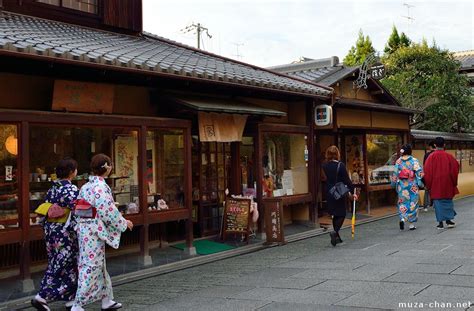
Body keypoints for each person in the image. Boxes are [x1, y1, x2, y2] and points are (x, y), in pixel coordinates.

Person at [71, 154, 133, 311]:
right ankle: (77, 305)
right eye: (110, 165)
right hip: (93, 232)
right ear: (107, 167)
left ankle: (107, 300)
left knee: (98, 265)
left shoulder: (86, 186)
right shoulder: (100, 187)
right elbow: (107, 211)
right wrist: (123, 223)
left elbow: (79, 209)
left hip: (85, 230)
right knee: (91, 266)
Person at [31, 158, 79, 311]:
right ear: (72, 172)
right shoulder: (70, 189)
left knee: (63, 262)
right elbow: (78, 210)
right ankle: (42, 296)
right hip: (65, 232)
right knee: (62, 263)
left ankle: (72, 299)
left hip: (52, 230)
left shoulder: (53, 188)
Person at [322, 145, 358, 246]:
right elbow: (347, 180)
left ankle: (337, 237)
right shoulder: (340, 165)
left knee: (335, 213)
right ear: (337, 154)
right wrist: (353, 192)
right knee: (341, 213)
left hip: (329, 191)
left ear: (328, 154)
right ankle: (335, 232)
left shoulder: (324, 165)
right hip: (339, 191)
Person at [424, 137, 459, 229]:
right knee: (448, 202)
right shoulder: (449, 157)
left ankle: (440, 223)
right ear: (444, 145)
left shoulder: (431, 157)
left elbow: (427, 172)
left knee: (438, 203)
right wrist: (454, 183)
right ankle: (449, 221)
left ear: (435, 145)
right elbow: (455, 170)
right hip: (447, 183)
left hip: (435, 184)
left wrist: (428, 185)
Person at [391, 144, 423, 231]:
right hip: (412, 186)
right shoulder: (414, 160)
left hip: (402, 186)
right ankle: (411, 224)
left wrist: (393, 183)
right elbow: (419, 173)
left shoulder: (398, 161)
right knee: (413, 203)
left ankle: (402, 218)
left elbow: (395, 174)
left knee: (402, 202)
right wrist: (420, 182)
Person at [422, 141, 436, 212]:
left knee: (427, 191)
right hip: (436, 175)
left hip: (428, 174)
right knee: (436, 190)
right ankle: (435, 204)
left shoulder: (427, 155)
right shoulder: (437, 154)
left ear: (430, 147)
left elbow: (424, 166)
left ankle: (425, 206)